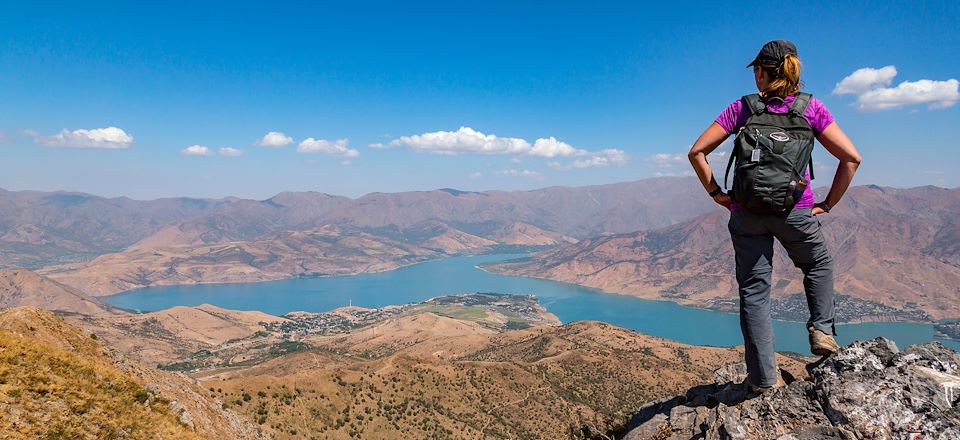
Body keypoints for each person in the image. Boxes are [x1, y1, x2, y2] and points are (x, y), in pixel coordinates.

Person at [687, 40, 862, 392]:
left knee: (754, 293)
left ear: (765, 72)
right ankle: (822, 330)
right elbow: (851, 159)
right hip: (796, 210)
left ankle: (763, 380)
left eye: (756, 69)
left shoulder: (743, 108)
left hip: (746, 213)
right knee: (817, 265)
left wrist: (718, 195)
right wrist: (827, 204)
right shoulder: (810, 109)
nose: (754, 75)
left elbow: (697, 152)